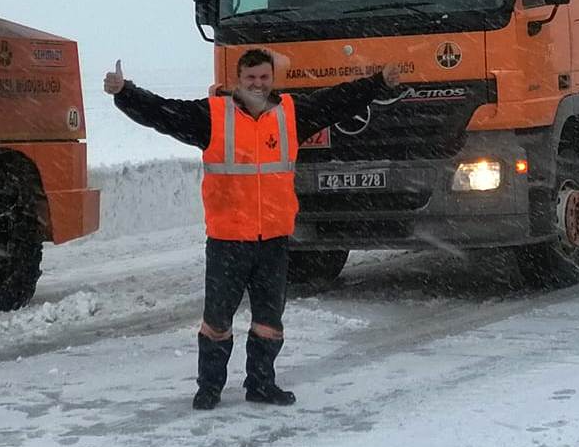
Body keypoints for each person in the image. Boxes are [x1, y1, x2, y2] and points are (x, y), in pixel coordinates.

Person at [105, 49, 401, 409]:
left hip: (273, 240)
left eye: (263, 78)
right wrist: (125, 92)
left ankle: (261, 384)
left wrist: (379, 82)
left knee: (269, 321)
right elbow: (164, 113)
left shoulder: (291, 114)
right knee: (217, 321)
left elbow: (338, 100)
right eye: (250, 79)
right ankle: (209, 388)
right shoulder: (213, 116)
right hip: (227, 241)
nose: (257, 85)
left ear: (272, 79)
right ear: (238, 81)